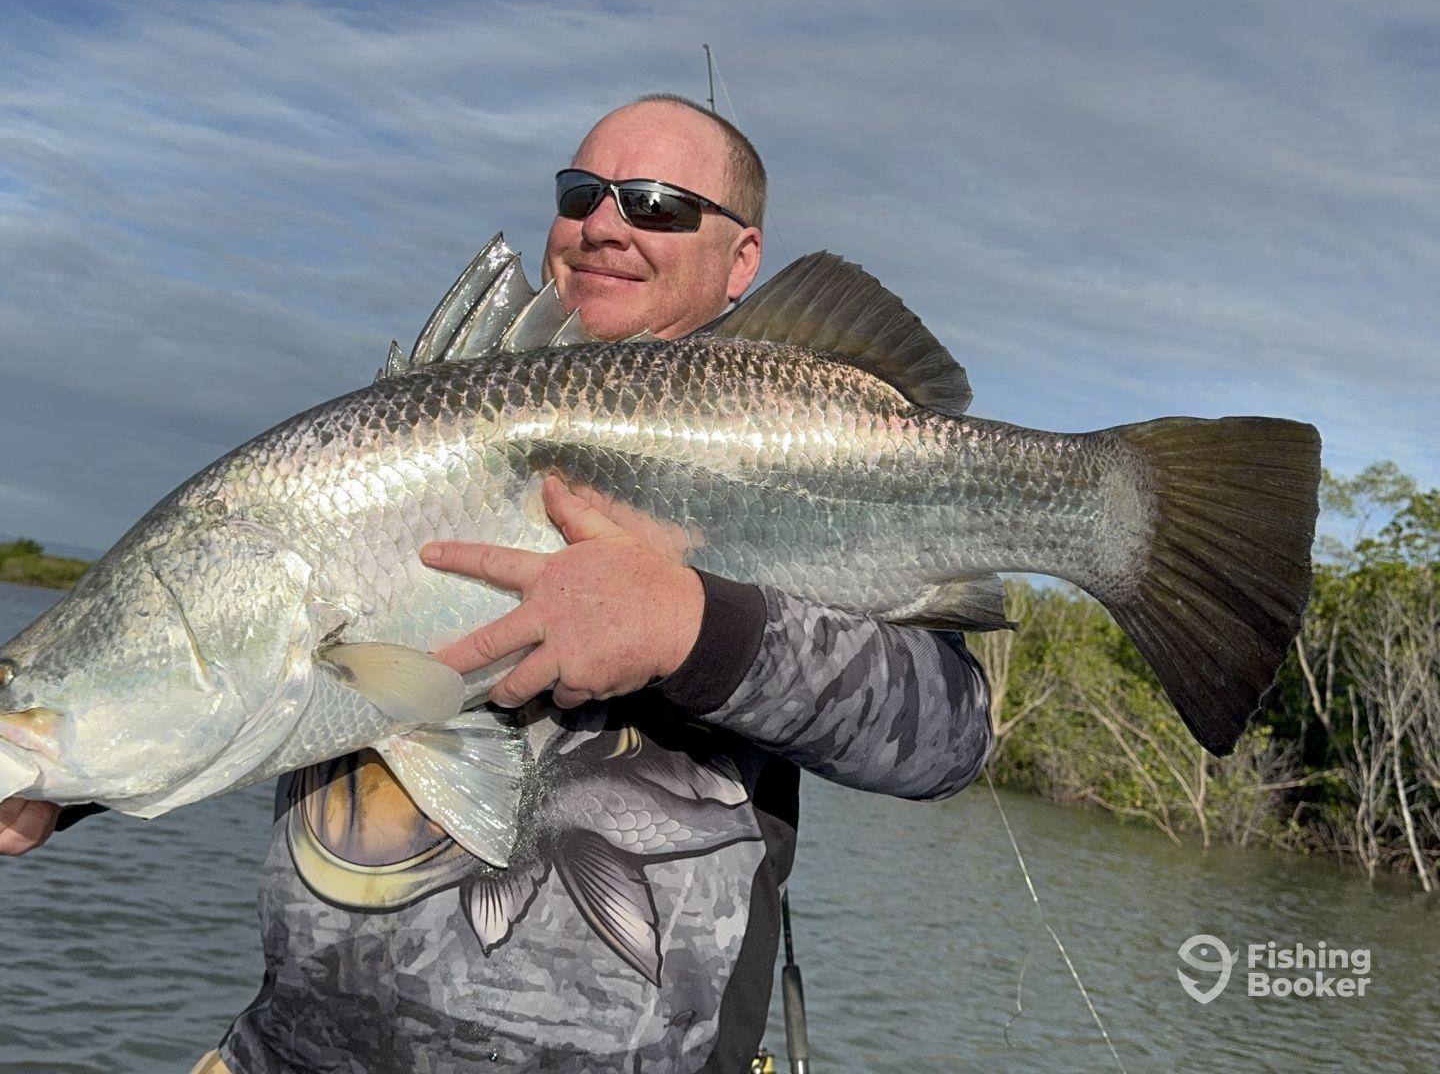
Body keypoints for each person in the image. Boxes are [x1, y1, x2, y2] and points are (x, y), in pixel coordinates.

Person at [3, 95, 993, 1073]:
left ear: (742, 260)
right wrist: (71, 774)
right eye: (581, 193)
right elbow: (278, 680)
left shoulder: (827, 454)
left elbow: (948, 736)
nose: (605, 224)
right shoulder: (386, 441)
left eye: (656, 203)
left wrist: (693, 630)